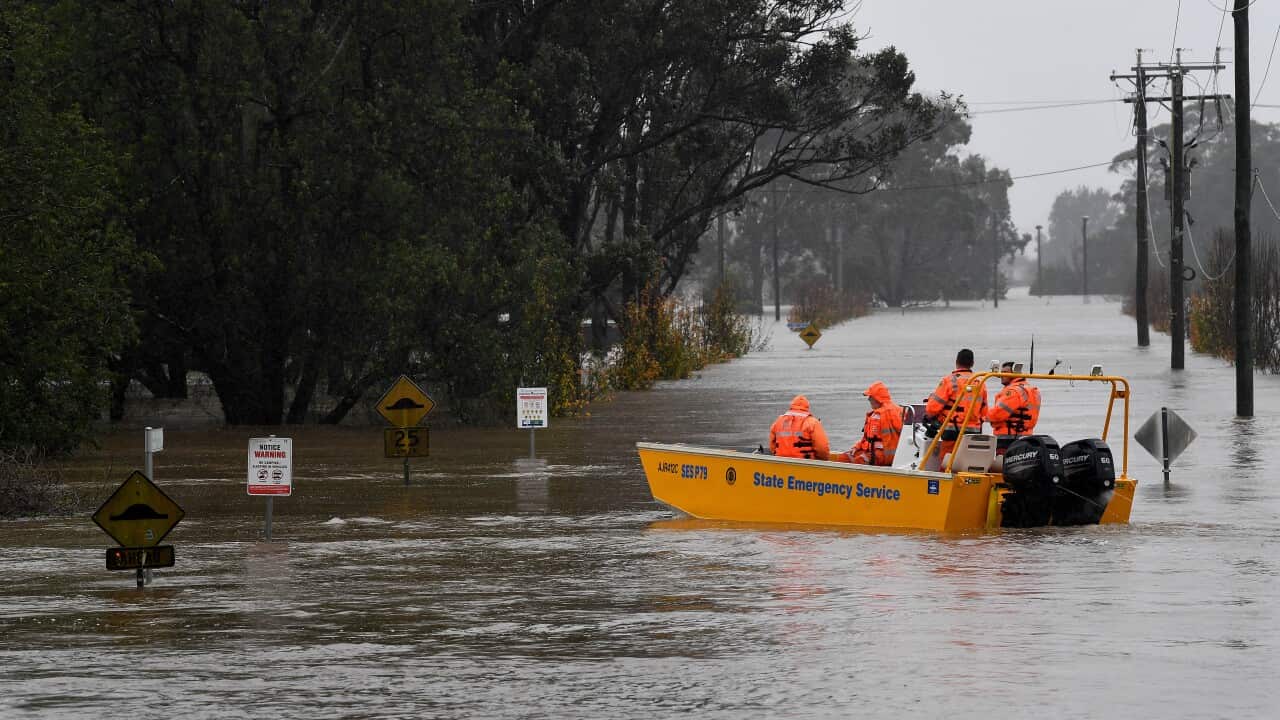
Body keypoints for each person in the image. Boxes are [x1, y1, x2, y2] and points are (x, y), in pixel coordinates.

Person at [923, 348, 988, 457]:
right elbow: (984, 411)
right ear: (972, 363)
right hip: (974, 431)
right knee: (967, 461)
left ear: (956, 362)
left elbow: (932, 408)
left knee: (947, 462)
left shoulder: (950, 380)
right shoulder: (980, 383)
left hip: (952, 430)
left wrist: (932, 417)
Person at [837, 381, 903, 466]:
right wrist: (857, 447)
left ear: (877, 398)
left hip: (884, 455)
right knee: (844, 458)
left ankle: (857, 479)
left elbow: (904, 433)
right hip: (872, 452)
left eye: (870, 397)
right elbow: (867, 438)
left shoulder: (893, 412)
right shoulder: (875, 414)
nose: (868, 399)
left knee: (859, 461)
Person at [986, 360, 1041, 437]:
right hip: (1026, 436)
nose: (1001, 375)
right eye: (1001, 372)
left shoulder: (1014, 391)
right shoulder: (1032, 390)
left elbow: (997, 414)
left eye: (1005, 372)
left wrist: (980, 414)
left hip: (1008, 436)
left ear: (1015, 373)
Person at [769, 395, 830, 460]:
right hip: (806, 464)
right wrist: (823, 460)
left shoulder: (778, 421)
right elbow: (822, 448)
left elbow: (772, 445)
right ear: (807, 407)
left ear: (792, 406)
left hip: (782, 462)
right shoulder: (813, 422)